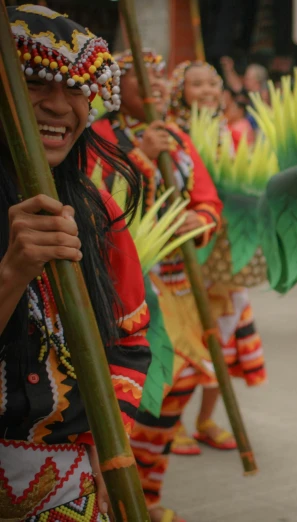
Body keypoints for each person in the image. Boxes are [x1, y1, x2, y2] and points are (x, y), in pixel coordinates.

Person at [0, 5, 151, 519]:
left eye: (75, 88)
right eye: (37, 83)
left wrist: (108, 447)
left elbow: (129, 341)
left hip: (69, 486)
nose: (60, 106)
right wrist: (13, 274)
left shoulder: (94, 209)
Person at [91, 50, 223, 522]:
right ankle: (114, 497)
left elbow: (208, 201)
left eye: (162, 76)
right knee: (125, 391)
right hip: (121, 285)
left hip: (178, 285)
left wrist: (198, 218)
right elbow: (96, 201)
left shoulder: (178, 138)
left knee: (179, 382)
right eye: (141, 77)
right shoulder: (98, 137)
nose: (158, 85)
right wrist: (140, 158)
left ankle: (145, 493)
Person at [166, 60, 266, 456]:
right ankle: (169, 424)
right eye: (196, 85)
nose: (207, 91)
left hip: (225, 261)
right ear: (179, 93)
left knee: (221, 344)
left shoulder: (231, 132)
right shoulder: (171, 137)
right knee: (183, 346)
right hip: (182, 260)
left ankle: (206, 420)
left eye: (213, 83)